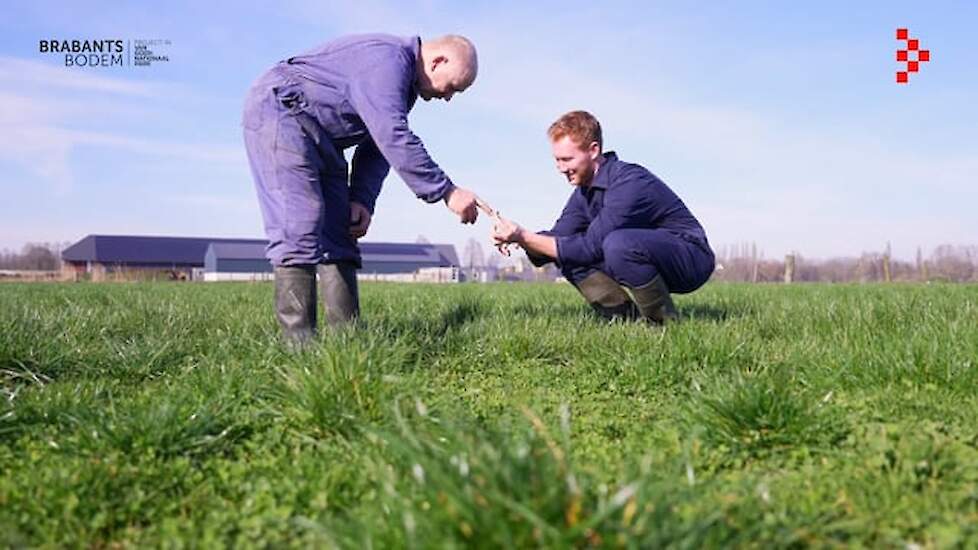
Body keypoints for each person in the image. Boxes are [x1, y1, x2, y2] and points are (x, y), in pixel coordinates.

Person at [242, 34, 481, 342]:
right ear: (438, 61)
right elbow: (393, 136)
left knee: (341, 232)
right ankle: (299, 347)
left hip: (323, 136)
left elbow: (377, 146)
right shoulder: (388, 61)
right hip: (282, 112)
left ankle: (348, 340)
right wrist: (447, 191)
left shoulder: (403, 87)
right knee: (300, 221)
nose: (448, 97)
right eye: (452, 87)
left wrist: (361, 200)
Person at [491, 110, 715, 323]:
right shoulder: (583, 193)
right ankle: (625, 321)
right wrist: (517, 237)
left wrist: (523, 236)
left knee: (617, 244)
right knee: (568, 253)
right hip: (645, 255)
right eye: (557, 160)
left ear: (593, 150)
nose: (560, 168)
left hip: (690, 257)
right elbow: (558, 239)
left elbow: (591, 247)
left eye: (567, 159)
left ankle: (663, 325)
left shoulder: (630, 182)